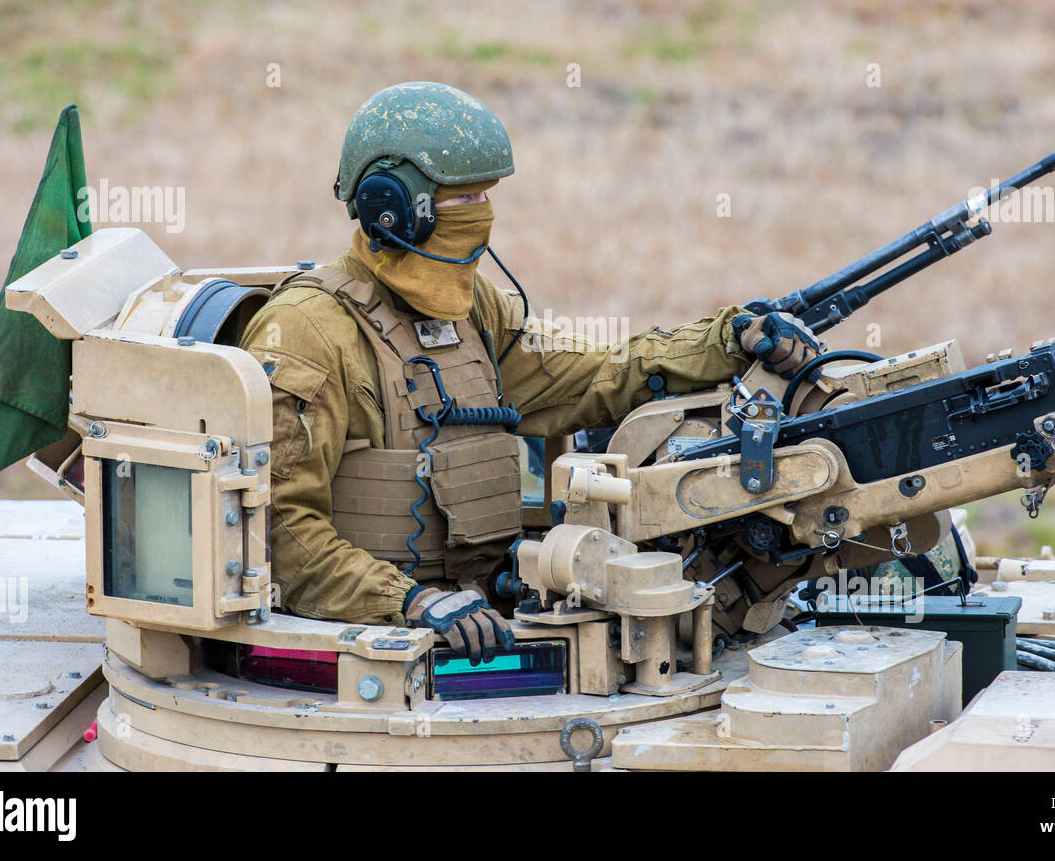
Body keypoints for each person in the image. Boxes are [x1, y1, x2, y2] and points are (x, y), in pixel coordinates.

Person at [239, 81, 821, 664]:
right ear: (389, 207)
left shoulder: (478, 308)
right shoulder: (307, 334)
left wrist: (723, 341)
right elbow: (278, 528)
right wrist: (411, 603)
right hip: (375, 647)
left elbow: (588, 377)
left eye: (485, 198)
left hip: (489, 618)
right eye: (463, 201)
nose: (482, 216)